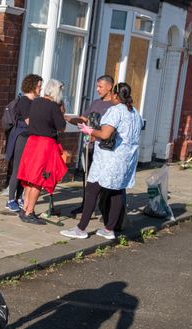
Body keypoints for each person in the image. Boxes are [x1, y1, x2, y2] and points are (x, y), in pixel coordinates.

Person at [60, 82, 142, 240]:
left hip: (108, 159)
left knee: (92, 190)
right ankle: (109, 229)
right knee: (117, 191)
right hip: (125, 159)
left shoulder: (115, 111)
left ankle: (81, 228)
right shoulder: (134, 113)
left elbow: (105, 134)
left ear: (116, 95)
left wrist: (89, 130)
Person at [16, 79, 68, 225]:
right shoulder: (53, 107)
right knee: (38, 180)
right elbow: (61, 127)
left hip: (32, 142)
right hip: (44, 145)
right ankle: (29, 212)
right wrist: (61, 112)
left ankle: (24, 209)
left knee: (29, 179)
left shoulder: (35, 102)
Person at [68, 75, 115, 215]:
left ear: (109, 87)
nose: (97, 89)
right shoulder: (96, 103)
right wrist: (69, 118)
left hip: (106, 149)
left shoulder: (115, 105)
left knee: (104, 179)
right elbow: (84, 119)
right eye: (97, 86)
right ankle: (86, 206)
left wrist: (98, 135)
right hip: (90, 147)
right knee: (88, 177)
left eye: (100, 86)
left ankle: (104, 208)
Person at [4, 74, 43, 212]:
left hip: (30, 138)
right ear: (32, 86)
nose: (40, 88)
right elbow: (29, 122)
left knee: (25, 170)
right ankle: (10, 200)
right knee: (17, 168)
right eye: (39, 86)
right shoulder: (25, 102)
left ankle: (19, 197)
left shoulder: (35, 102)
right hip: (22, 137)